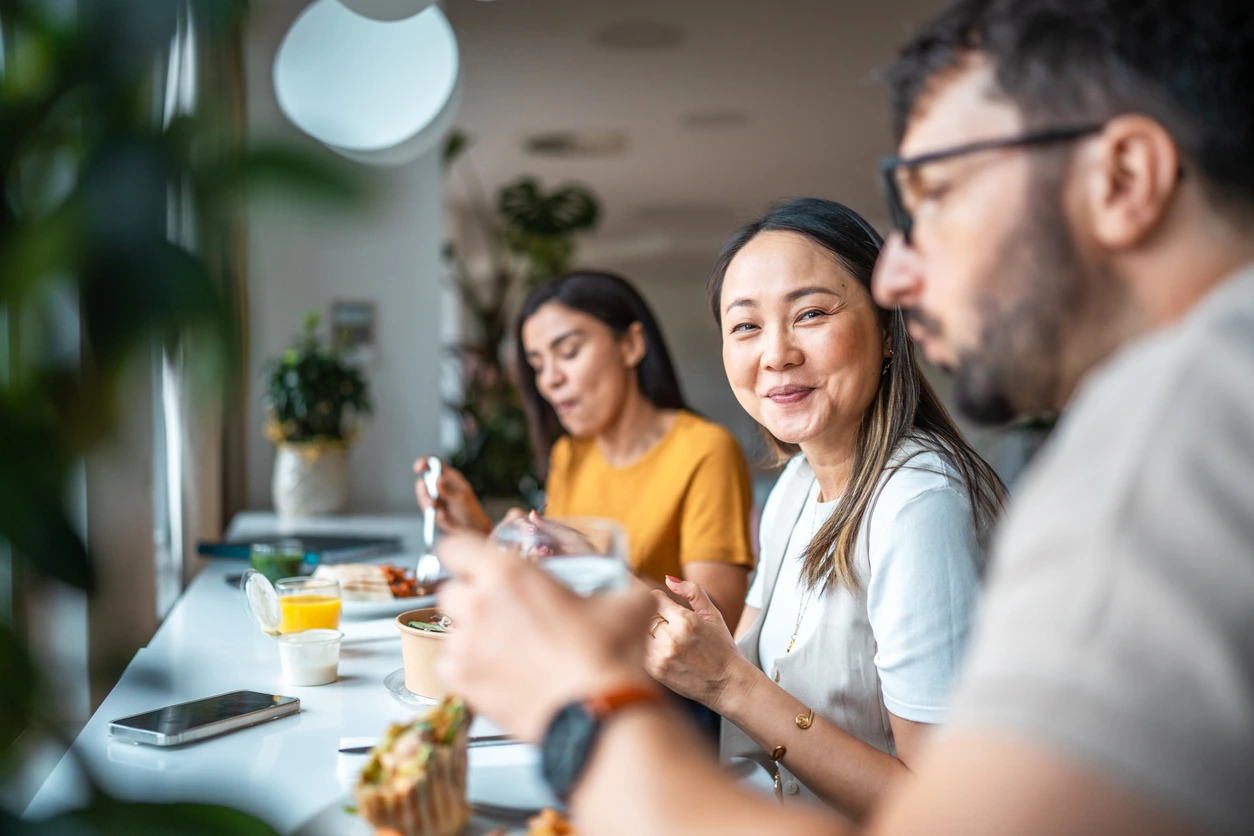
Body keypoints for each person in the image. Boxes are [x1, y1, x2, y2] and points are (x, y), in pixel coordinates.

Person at [434, 1, 1254, 834]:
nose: (898, 273)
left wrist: (581, 714)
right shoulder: (798, 483)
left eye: (935, 193)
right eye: (745, 325)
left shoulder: (1168, 445)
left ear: (1123, 179)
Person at [641, 198, 1004, 818]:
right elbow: (751, 655)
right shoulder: (799, 483)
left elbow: (947, 810)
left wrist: (729, 683)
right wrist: (610, 589)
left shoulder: (919, 503)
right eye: (746, 326)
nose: (775, 354)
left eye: (810, 314)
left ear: (889, 332)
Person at [417, 270, 755, 624]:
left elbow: (720, 623)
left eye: (569, 352)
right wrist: (481, 531)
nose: (549, 379)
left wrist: (597, 565)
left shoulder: (705, 450)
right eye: (537, 365)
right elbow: (560, 586)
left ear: (631, 345)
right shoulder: (569, 454)